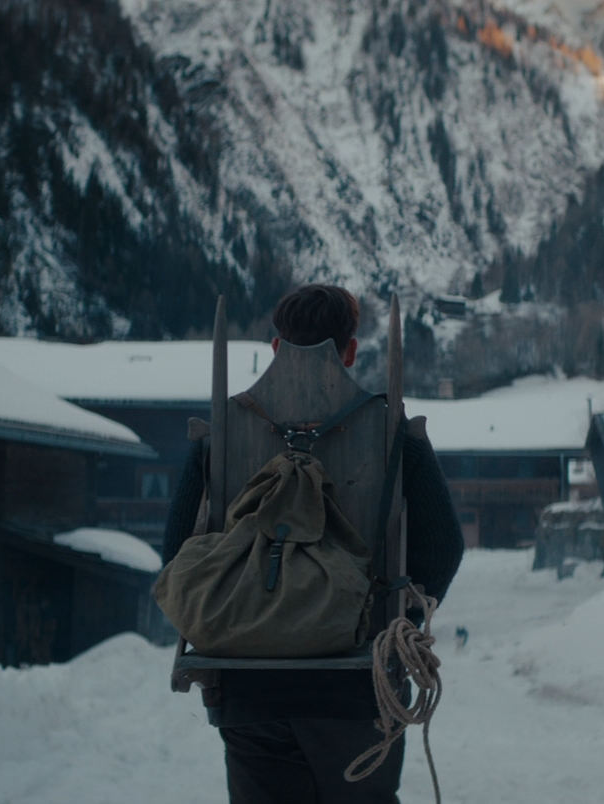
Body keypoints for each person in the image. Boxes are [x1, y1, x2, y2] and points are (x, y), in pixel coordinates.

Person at [162, 284, 465, 804]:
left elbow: (176, 554)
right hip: (362, 686)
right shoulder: (392, 432)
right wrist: (393, 621)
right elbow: (443, 549)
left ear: (276, 347)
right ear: (350, 351)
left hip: (248, 686)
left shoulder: (221, 433)